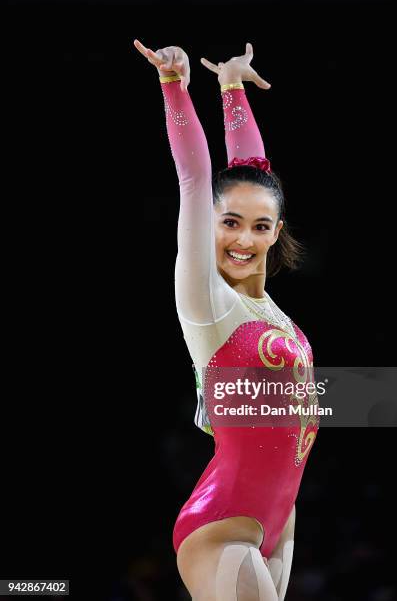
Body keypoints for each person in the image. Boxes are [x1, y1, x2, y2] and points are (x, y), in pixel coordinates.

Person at [134, 39, 319, 601]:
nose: (245, 239)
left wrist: (233, 88)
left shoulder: (268, 309)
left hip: (278, 522)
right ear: (208, 224)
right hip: (225, 525)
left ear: (278, 231)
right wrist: (174, 87)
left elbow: (252, 171)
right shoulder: (208, 303)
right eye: (229, 222)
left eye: (261, 227)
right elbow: (196, 178)